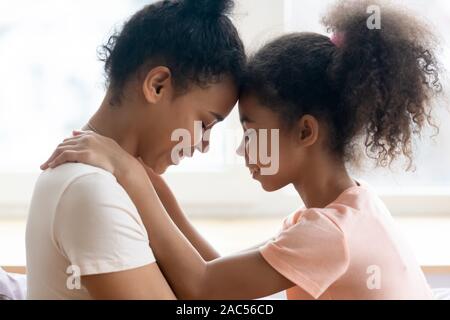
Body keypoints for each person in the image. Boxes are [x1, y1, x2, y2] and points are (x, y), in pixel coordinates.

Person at [42, 0, 443, 299]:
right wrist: (152, 185)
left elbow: (204, 287)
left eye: (251, 132)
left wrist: (129, 175)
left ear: (305, 131)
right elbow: (218, 272)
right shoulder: (345, 212)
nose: (241, 151)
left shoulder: (330, 234)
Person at [27, 0, 245, 300]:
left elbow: (221, 290)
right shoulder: (91, 189)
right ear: (157, 85)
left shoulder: (111, 179)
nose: (204, 144)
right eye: (205, 123)